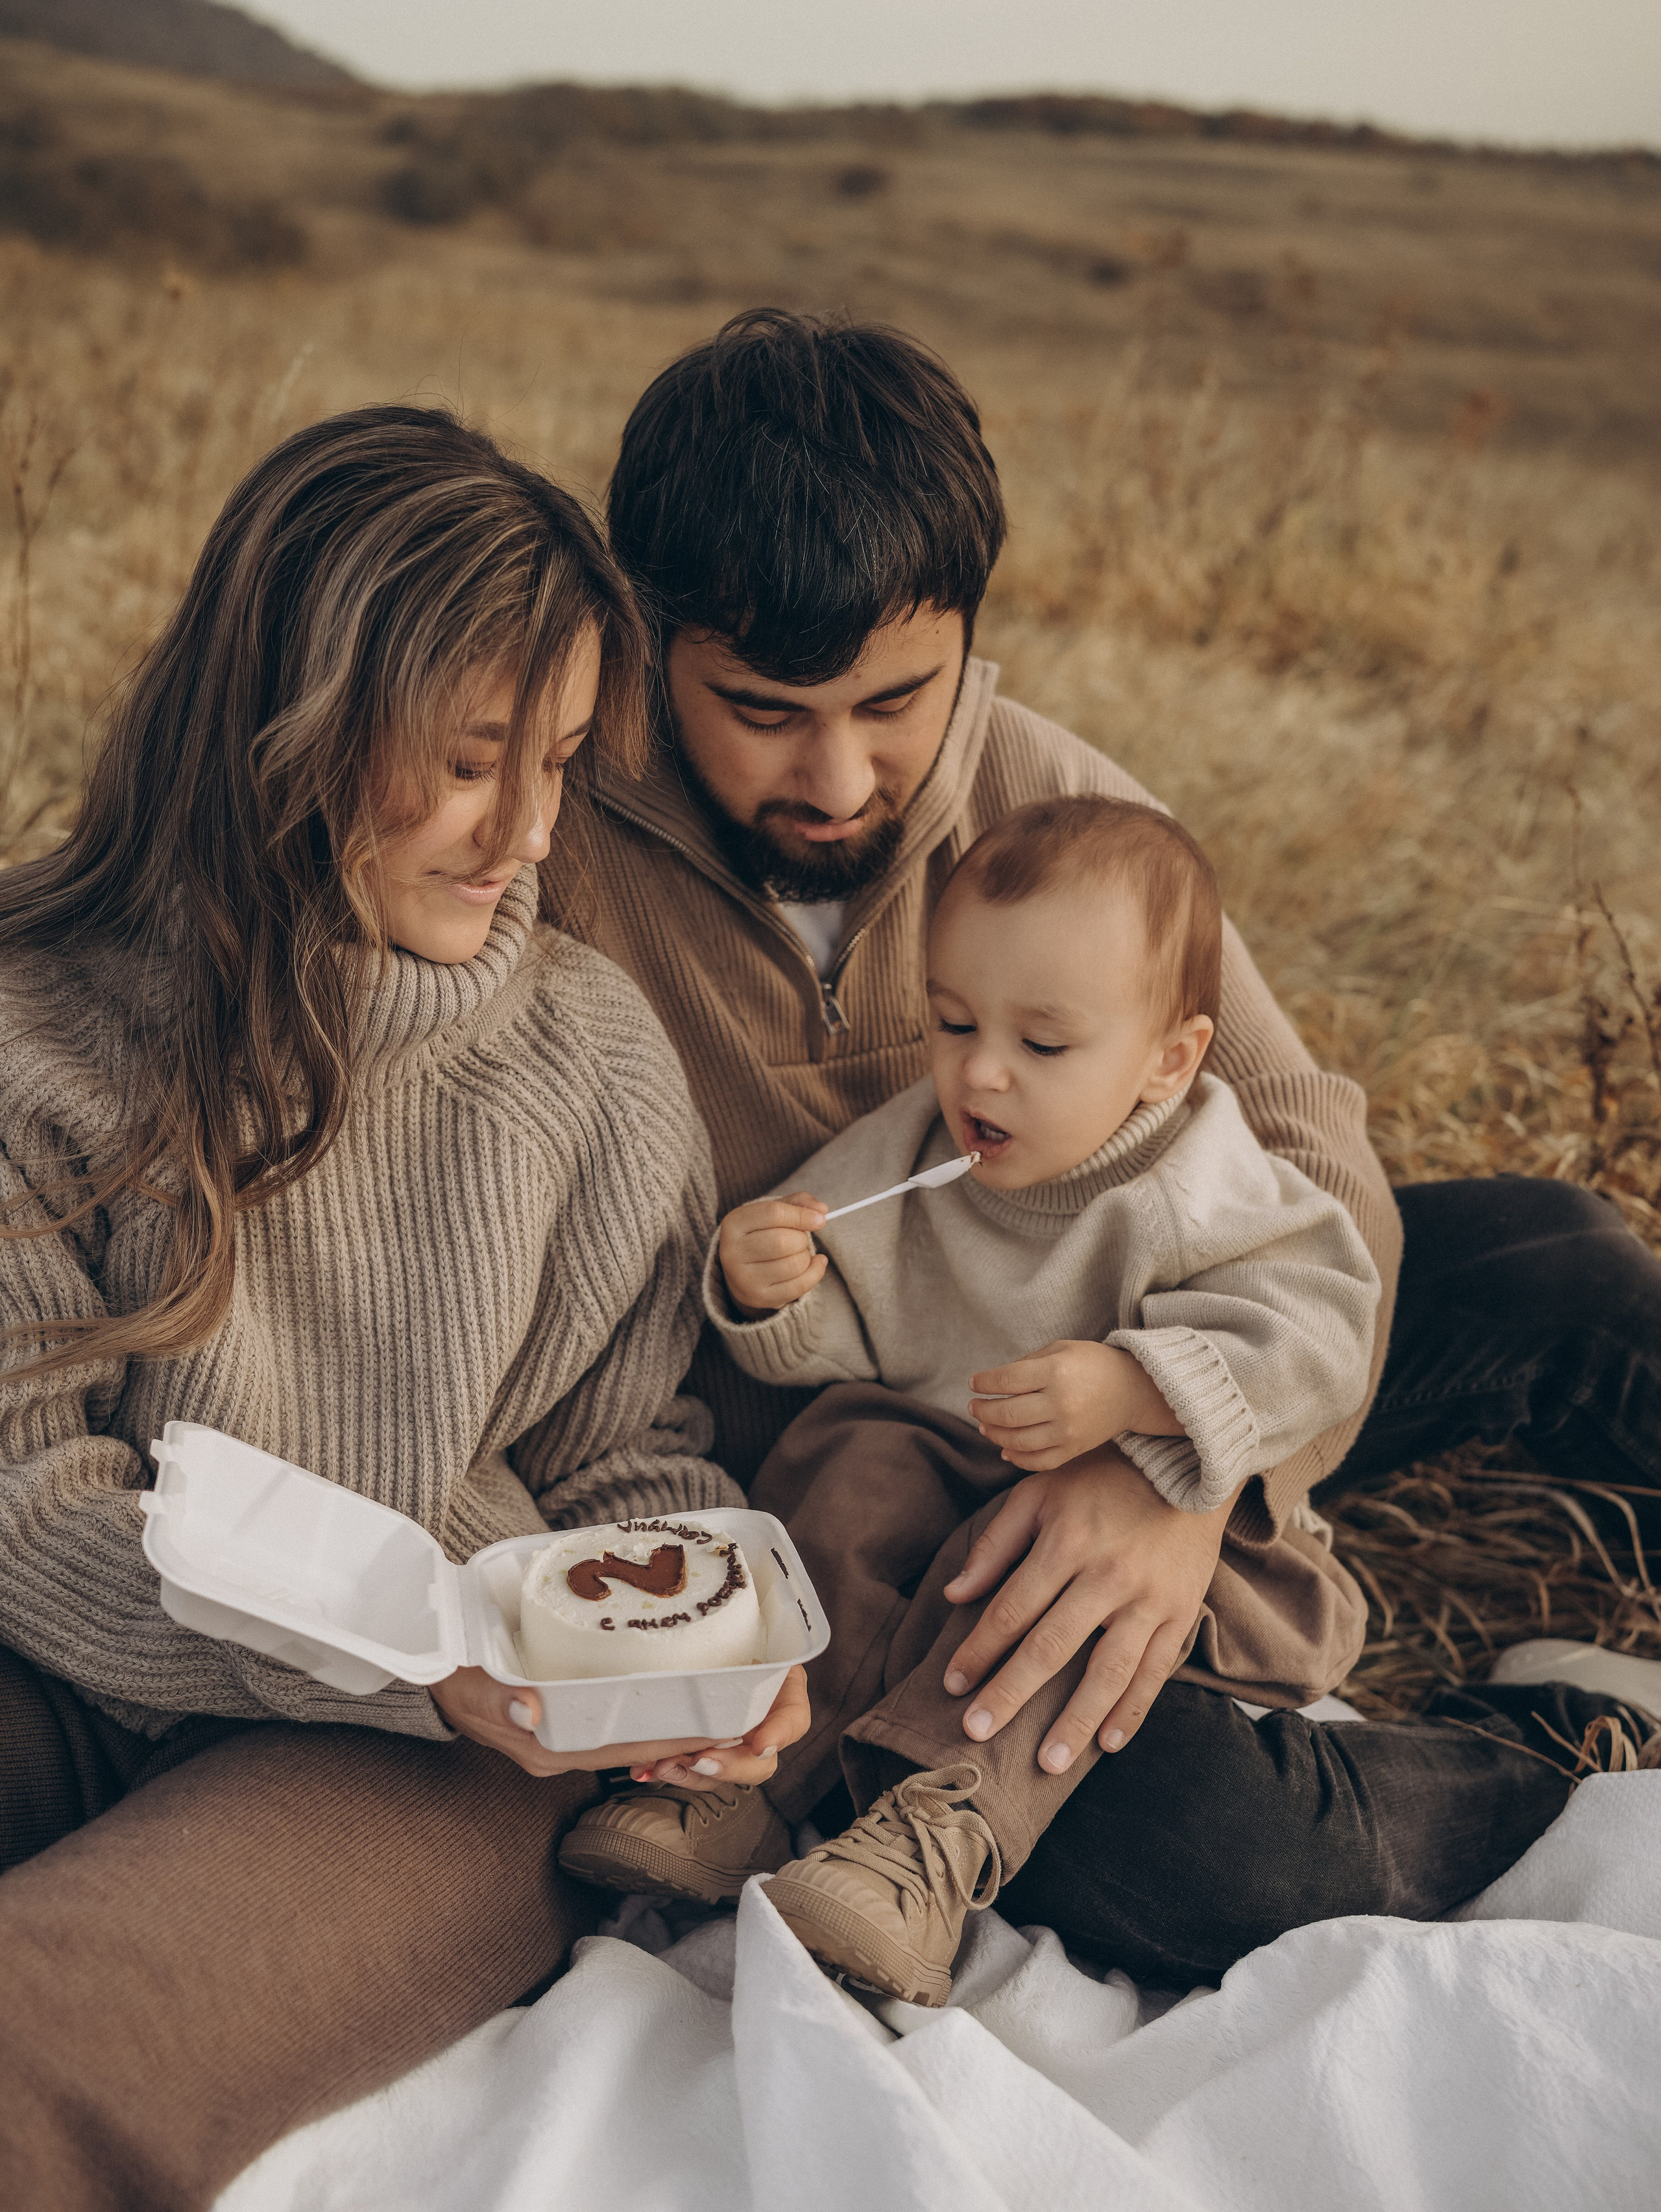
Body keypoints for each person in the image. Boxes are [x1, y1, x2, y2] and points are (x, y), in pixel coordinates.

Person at [548, 308, 1661, 1980]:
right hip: (870, 1497)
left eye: (895, 701)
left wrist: (1174, 1463)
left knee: (1557, 1259)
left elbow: (1305, 1163)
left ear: (964, 637)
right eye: (763, 710)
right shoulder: (549, 853)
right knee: (1182, 1832)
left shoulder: (1048, 804)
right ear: (648, 637)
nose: (837, 775)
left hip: (1155, 1360)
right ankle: (1545, 1745)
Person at [0, 403, 806, 2211]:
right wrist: (367, 1634)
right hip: (69, 1651)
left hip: (439, 1749)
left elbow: (617, 1458)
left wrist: (709, 1636)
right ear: (283, 724)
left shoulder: (591, 1059)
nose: (527, 832)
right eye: (466, 763)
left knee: (28, 2056)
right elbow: (22, 1487)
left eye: (562, 762)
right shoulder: (34, 1022)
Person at [563, 795, 1385, 2004]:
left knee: (1051, 1602)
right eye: (952, 1022)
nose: (979, 1071)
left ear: (1168, 1059)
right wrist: (771, 1286)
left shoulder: (1198, 1181)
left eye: (1043, 1045)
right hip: (937, 1468)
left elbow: (1326, 1330)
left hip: (1139, 1521)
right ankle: (750, 1773)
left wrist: (1138, 1387)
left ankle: (930, 1841)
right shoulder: (916, 1150)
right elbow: (841, 1326)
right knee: (848, 1467)